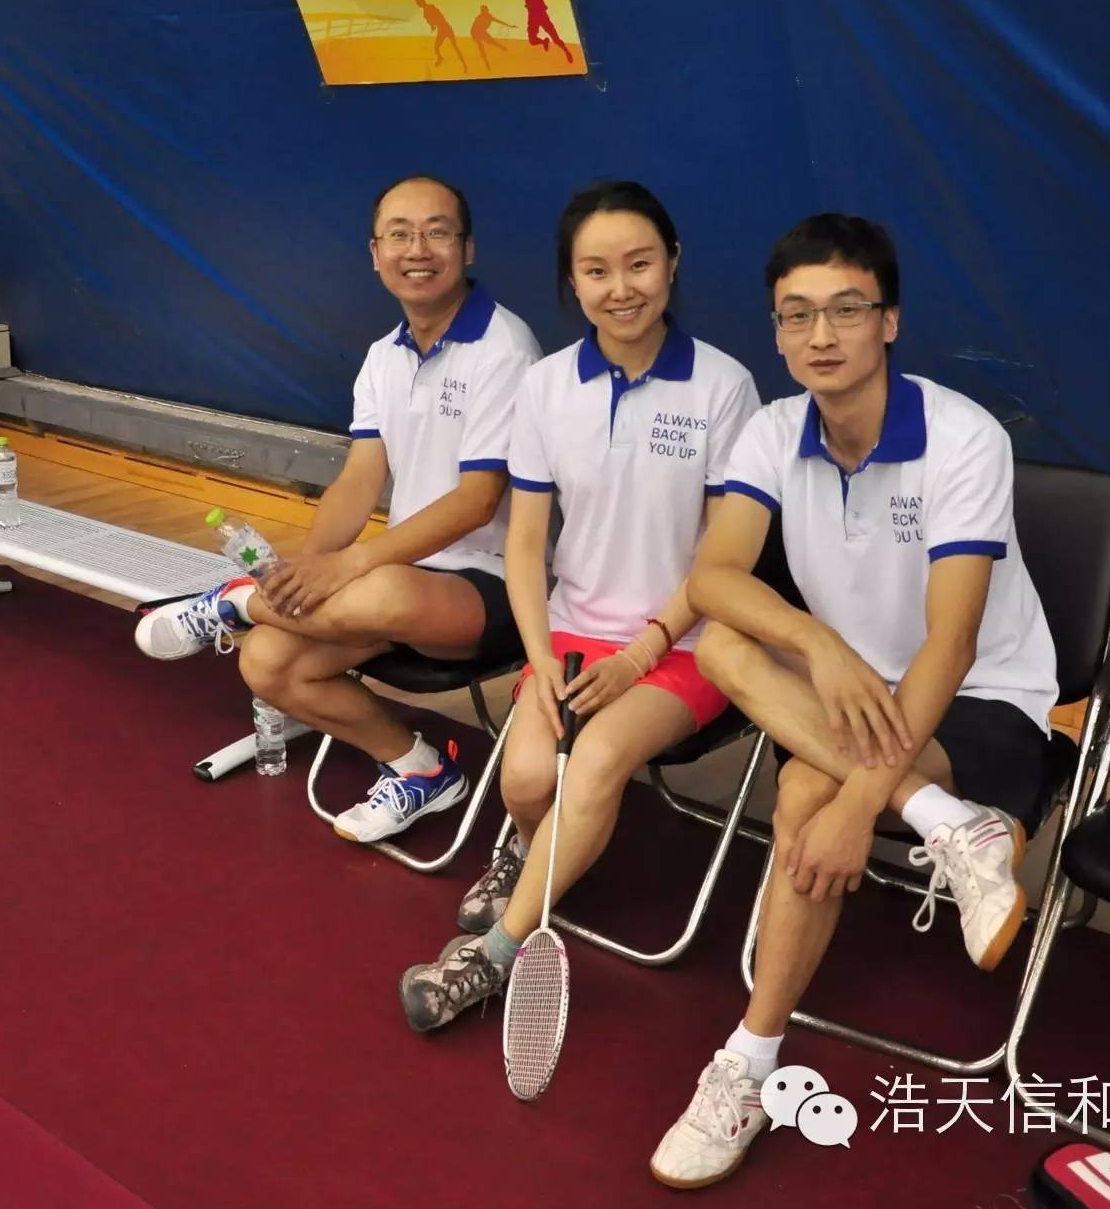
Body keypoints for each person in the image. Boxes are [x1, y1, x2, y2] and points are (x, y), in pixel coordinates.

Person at [647, 214, 1058, 1189]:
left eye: (844, 310)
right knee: (729, 640)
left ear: (889, 321)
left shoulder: (963, 438)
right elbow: (712, 576)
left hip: (982, 697)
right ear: (777, 331)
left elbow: (952, 643)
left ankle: (747, 1060)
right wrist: (819, 643)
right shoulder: (769, 430)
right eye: (796, 315)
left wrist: (858, 798)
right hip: (850, 690)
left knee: (804, 796)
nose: (819, 335)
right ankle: (946, 823)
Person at [397, 181, 760, 1031]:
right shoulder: (547, 385)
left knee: (593, 762)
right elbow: (526, 545)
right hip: (569, 634)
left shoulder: (724, 386)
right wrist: (538, 660)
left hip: (685, 643)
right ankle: (539, 856)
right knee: (526, 779)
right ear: (572, 280)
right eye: (596, 271)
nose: (620, 288)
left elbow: (724, 558)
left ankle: (490, 956)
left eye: (639, 264)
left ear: (673, 263)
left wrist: (641, 654)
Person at [135, 176, 541, 842]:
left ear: (467, 249)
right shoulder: (383, 357)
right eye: (399, 235)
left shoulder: (506, 348)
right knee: (266, 663)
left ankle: (233, 603)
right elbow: (359, 479)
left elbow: (477, 502)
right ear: (375, 254)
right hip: (400, 576)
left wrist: (343, 568)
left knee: (377, 588)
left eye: (438, 232)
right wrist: (304, 573)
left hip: (495, 583)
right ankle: (419, 769)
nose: (418, 249)